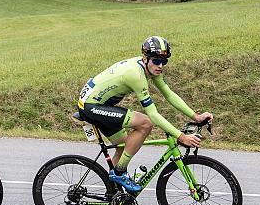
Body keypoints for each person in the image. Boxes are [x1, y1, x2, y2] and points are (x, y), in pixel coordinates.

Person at [77, 36, 212, 193]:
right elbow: (153, 115)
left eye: (164, 61)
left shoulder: (150, 67)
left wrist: (195, 116)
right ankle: (120, 173)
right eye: (156, 61)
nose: (160, 66)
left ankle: (113, 196)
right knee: (146, 123)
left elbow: (168, 94)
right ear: (145, 58)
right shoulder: (136, 74)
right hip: (91, 106)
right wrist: (181, 137)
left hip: (101, 105)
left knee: (123, 148)